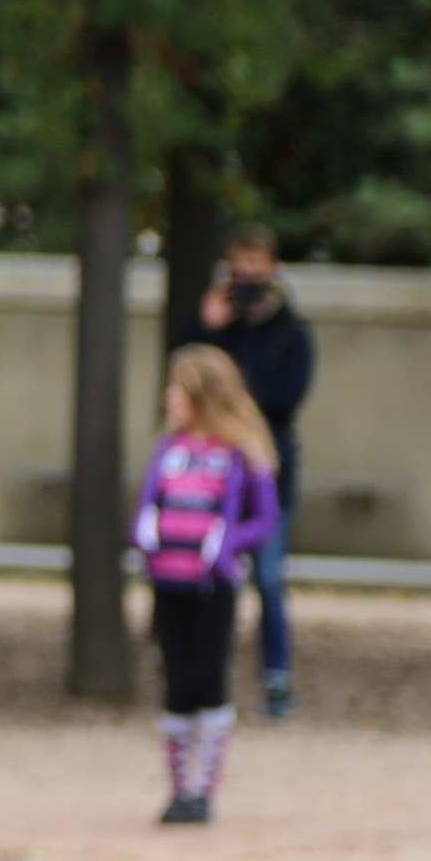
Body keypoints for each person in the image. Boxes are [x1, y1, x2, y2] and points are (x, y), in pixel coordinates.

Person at [133, 345, 281, 826]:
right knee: (174, 679)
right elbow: (149, 500)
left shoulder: (241, 454)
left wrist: (227, 542)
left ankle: (204, 788)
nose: (168, 397)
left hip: (212, 586)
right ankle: (178, 789)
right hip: (167, 580)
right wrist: (146, 531)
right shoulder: (168, 450)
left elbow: (265, 518)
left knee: (207, 678)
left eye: (177, 388)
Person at [178, 221, 315, 719]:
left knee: (270, 579)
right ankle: (208, 674)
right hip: (215, 476)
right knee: (214, 579)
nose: (249, 273)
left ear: (272, 268)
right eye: (242, 263)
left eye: (257, 264)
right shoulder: (217, 329)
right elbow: (190, 385)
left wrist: (234, 401)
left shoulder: (291, 332)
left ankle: (276, 678)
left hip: (267, 474)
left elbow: (285, 399)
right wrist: (205, 329)